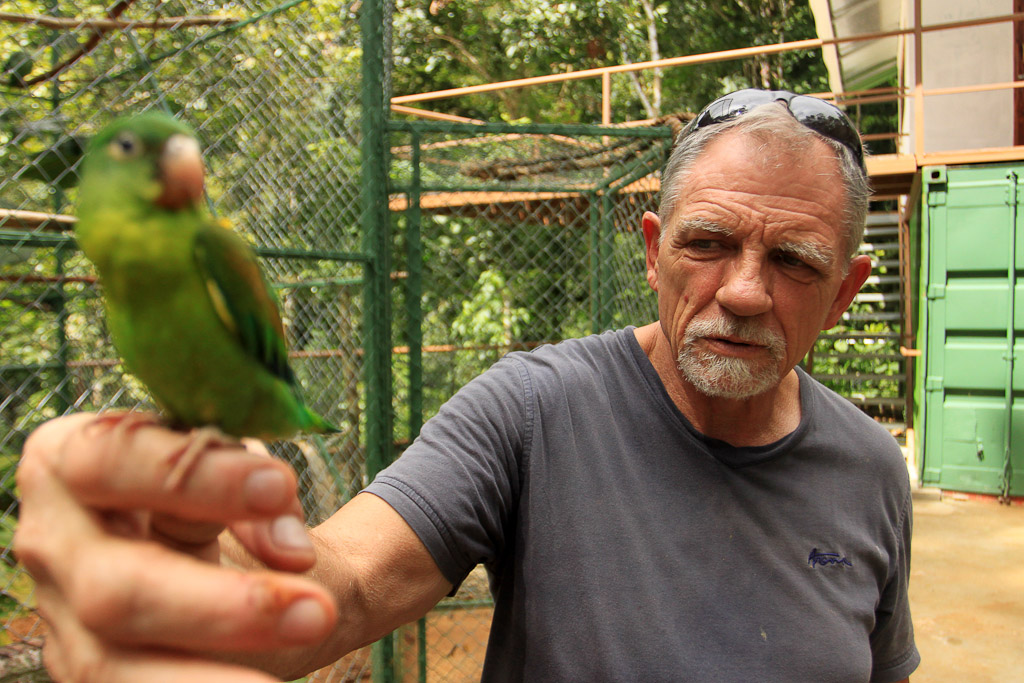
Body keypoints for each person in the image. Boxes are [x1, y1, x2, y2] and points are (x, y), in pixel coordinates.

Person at [14, 89, 919, 682]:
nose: (745, 290)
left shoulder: (872, 469)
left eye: (794, 260)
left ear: (844, 290)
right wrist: (195, 568)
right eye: (708, 242)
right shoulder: (534, 407)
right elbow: (349, 581)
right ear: (652, 251)